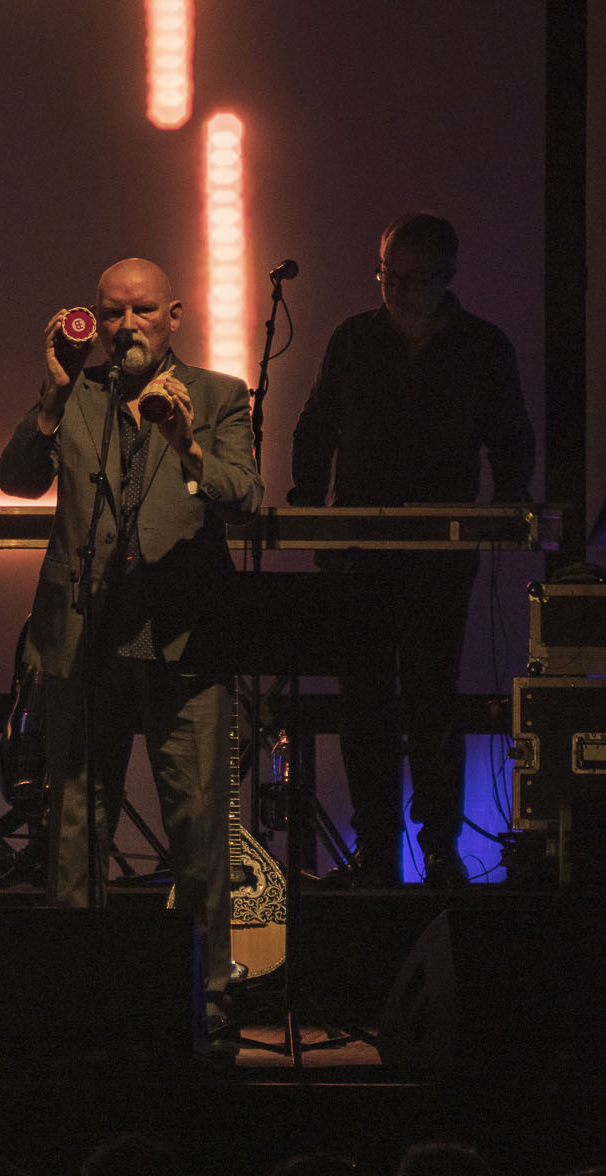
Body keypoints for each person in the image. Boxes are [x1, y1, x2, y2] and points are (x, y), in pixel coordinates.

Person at [0, 258, 263, 1025]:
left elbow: (245, 498)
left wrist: (187, 446)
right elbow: (16, 480)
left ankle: (206, 993)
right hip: (85, 640)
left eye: (142, 311)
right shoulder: (76, 395)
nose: (125, 327)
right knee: (77, 824)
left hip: (183, 641)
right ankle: (79, 990)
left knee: (198, 824)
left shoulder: (216, 396)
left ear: (173, 315)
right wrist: (48, 398)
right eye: (111, 313)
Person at [288, 213, 535, 887]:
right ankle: (375, 850)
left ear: (446, 279)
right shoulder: (352, 339)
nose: (398, 291)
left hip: (438, 555)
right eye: (388, 276)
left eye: (414, 280)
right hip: (360, 551)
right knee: (362, 699)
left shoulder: (482, 348)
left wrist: (509, 501)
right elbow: (318, 426)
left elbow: (510, 435)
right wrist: (310, 512)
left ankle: (438, 848)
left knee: (432, 698)